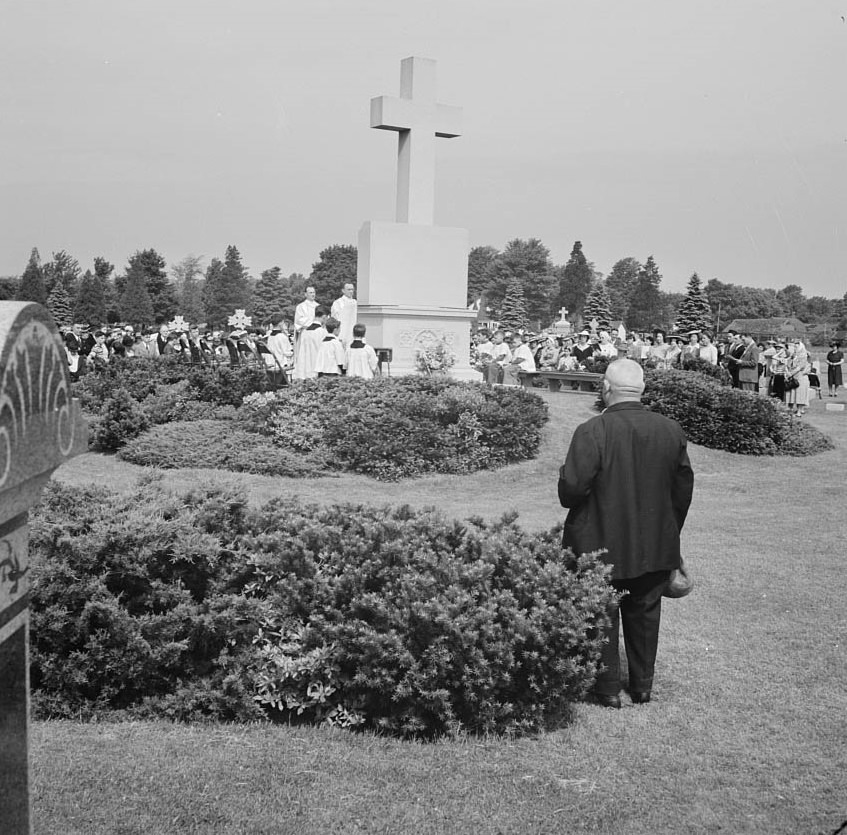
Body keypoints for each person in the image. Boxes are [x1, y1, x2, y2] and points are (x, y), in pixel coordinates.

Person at [558, 358, 694, 708]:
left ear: (605, 388)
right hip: (654, 542)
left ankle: (606, 689)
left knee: (602, 611)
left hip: (599, 541)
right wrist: (668, 532)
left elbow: (571, 491)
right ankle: (642, 686)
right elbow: (682, 492)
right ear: (642, 389)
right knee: (646, 612)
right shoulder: (670, 430)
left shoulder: (593, 430)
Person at [293, 305, 327, 380]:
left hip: (304, 368)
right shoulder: (322, 332)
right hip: (317, 368)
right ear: (324, 317)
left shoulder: (305, 331)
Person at [330, 282, 357, 347]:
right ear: (343, 290)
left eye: (352, 289)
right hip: (342, 333)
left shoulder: (355, 303)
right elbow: (335, 319)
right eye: (349, 289)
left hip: (353, 333)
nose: (351, 291)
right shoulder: (338, 303)